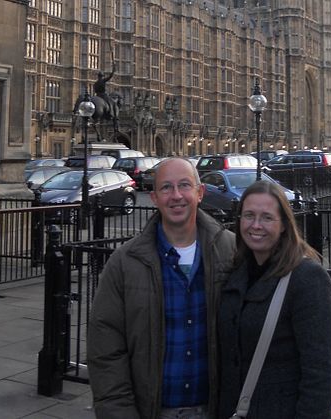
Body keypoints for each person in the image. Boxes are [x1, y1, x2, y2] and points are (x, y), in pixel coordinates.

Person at [87, 157, 236, 419]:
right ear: (154, 198)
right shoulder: (124, 262)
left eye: (184, 185)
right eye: (166, 188)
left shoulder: (232, 250)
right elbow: (106, 351)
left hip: (218, 409)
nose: (176, 195)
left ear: (200, 193)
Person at [217, 181, 331, 419]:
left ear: (284, 224)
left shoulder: (307, 278)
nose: (256, 225)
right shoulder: (237, 271)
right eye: (249, 215)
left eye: (267, 217)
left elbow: (320, 375)